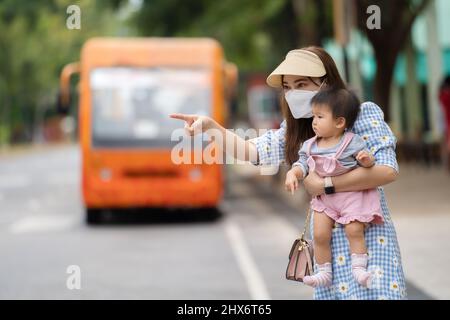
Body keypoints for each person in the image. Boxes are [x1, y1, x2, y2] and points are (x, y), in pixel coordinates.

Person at [170, 47, 407, 300]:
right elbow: (252, 152)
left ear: (326, 82)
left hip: (369, 243)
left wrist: (326, 184)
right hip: (327, 250)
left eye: (301, 83)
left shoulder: (360, 114)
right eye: (288, 87)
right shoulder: (297, 130)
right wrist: (211, 127)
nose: (293, 93)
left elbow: (387, 170)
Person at [285, 88, 384, 289]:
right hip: (325, 200)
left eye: (320, 116)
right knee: (319, 234)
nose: (314, 121)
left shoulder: (351, 141)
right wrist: (292, 174)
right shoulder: (310, 145)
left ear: (339, 122)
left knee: (354, 230)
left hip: (351, 197)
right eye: (313, 115)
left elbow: (367, 161)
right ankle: (324, 272)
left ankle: (359, 268)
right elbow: (302, 164)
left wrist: (366, 160)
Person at [439, 75, 450, 172]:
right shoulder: (446, 96)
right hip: (447, 124)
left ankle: (446, 165)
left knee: (446, 145)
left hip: (445, 124)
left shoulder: (443, 96)